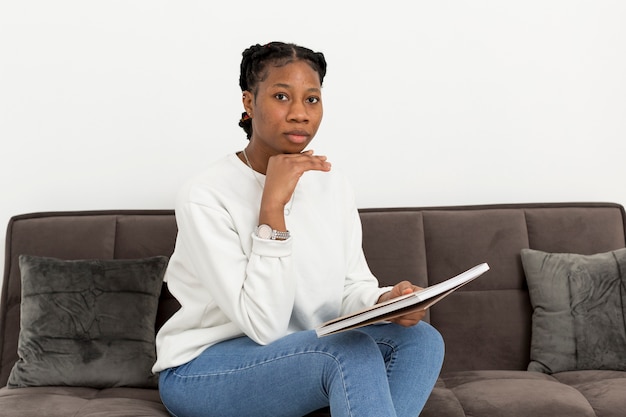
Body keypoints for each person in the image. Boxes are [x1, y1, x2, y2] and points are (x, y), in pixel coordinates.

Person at [153, 41, 444, 417]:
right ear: (248, 103)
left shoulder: (330, 183)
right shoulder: (205, 194)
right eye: (280, 96)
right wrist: (272, 207)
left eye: (311, 100)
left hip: (305, 356)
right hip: (203, 370)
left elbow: (351, 287)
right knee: (345, 352)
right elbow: (264, 326)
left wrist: (383, 303)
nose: (299, 114)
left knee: (420, 341)